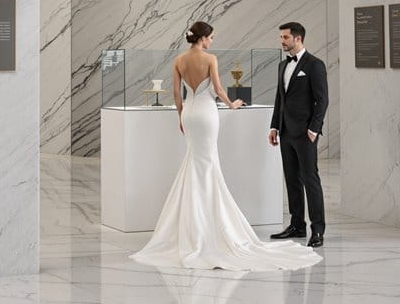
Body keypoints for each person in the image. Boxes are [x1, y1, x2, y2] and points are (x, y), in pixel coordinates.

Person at [130, 21, 322, 271]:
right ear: (202, 38)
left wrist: (180, 115)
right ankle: (212, 221)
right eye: (210, 38)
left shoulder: (178, 60)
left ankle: (192, 223)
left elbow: (177, 94)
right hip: (207, 115)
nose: (212, 41)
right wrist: (231, 104)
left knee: (195, 161)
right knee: (208, 163)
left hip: (189, 113)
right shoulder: (210, 59)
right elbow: (218, 89)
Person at [268, 22, 328, 247]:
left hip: (305, 133)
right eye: (281, 37)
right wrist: (274, 126)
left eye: (285, 37)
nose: (282, 41)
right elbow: (279, 99)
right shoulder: (282, 66)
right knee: (292, 180)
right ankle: (297, 225)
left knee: (311, 180)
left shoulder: (314, 65)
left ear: (298, 39)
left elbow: (322, 100)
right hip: (285, 131)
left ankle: (318, 230)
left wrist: (314, 128)